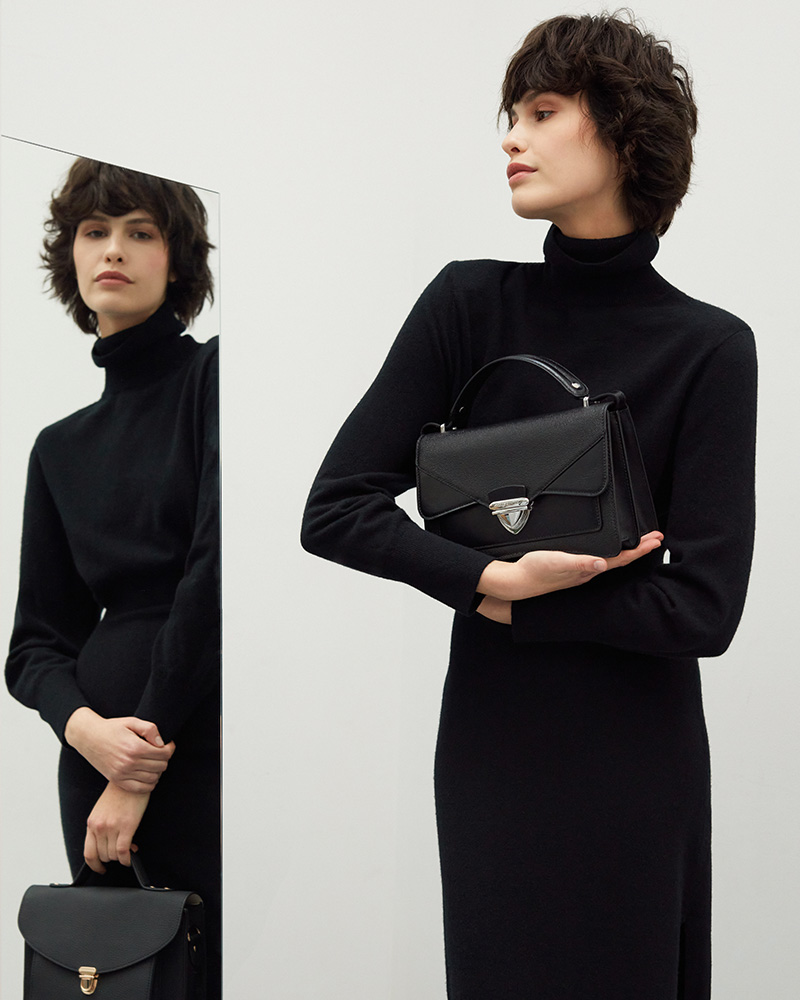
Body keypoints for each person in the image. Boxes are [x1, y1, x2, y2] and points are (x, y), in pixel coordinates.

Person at [301, 12, 756, 1000]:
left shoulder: (710, 348)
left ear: (623, 128)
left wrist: (517, 607)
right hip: (492, 755)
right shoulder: (467, 305)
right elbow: (335, 508)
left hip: (636, 766)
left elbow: (704, 609)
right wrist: (487, 578)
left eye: (542, 111)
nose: (511, 136)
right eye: (510, 115)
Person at [5, 159, 221, 997]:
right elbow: (34, 645)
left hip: (197, 740)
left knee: (211, 967)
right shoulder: (60, 447)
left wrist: (139, 762)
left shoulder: (215, 379)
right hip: (94, 758)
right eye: (95, 232)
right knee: (114, 978)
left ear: (178, 258)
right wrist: (85, 731)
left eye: (141, 232)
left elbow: (212, 574)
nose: (114, 251)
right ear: (71, 256)